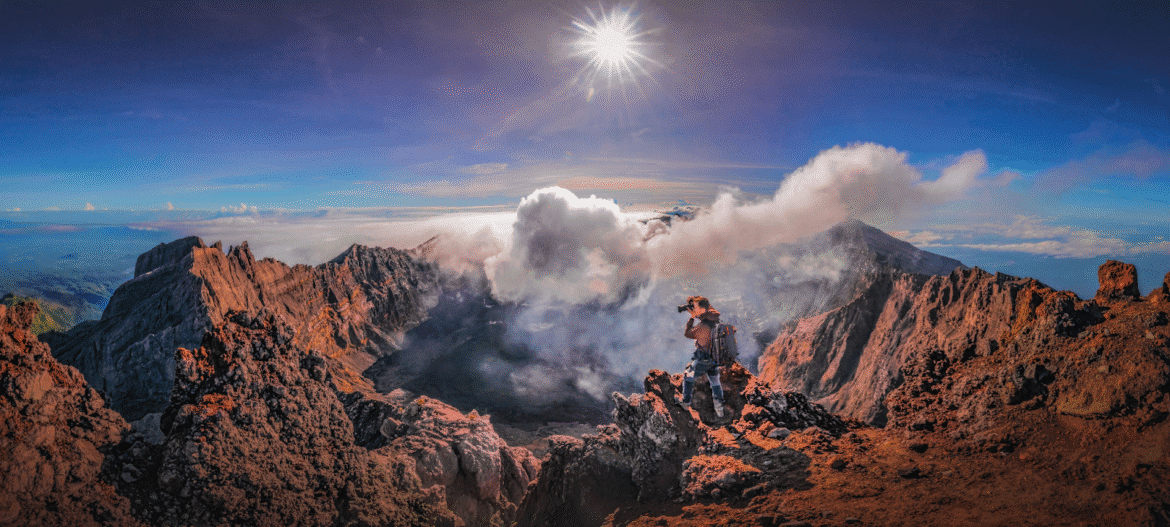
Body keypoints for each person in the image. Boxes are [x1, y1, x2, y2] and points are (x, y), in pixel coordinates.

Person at [677, 295, 725, 417]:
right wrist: (697, 310)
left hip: (703, 359)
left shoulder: (703, 326)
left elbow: (688, 333)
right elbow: (706, 309)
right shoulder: (714, 318)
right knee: (715, 382)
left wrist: (692, 317)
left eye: (696, 307)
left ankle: (686, 402)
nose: (694, 308)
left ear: (703, 309)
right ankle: (719, 410)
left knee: (688, 375)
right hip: (715, 357)